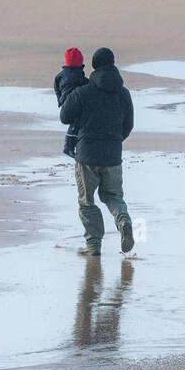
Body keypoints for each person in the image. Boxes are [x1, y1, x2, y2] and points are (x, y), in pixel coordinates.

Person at [59, 47, 135, 256]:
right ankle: (123, 221)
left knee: (86, 201)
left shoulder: (84, 92)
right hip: (113, 156)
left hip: (87, 156)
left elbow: (65, 116)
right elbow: (128, 125)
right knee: (113, 197)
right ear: (113, 64)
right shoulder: (123, 93)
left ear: (93, 66)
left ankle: (93, 246)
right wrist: (114, 141)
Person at [53, 47, 87, 158]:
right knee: (76, 123)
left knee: (74, 124)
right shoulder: (79, 76)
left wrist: (59, 100)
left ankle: (69, 145)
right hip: (74, 102)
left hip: (64, 100)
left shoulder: (60, 75)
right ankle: (69, 146)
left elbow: (56, 86)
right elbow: (86, 85)